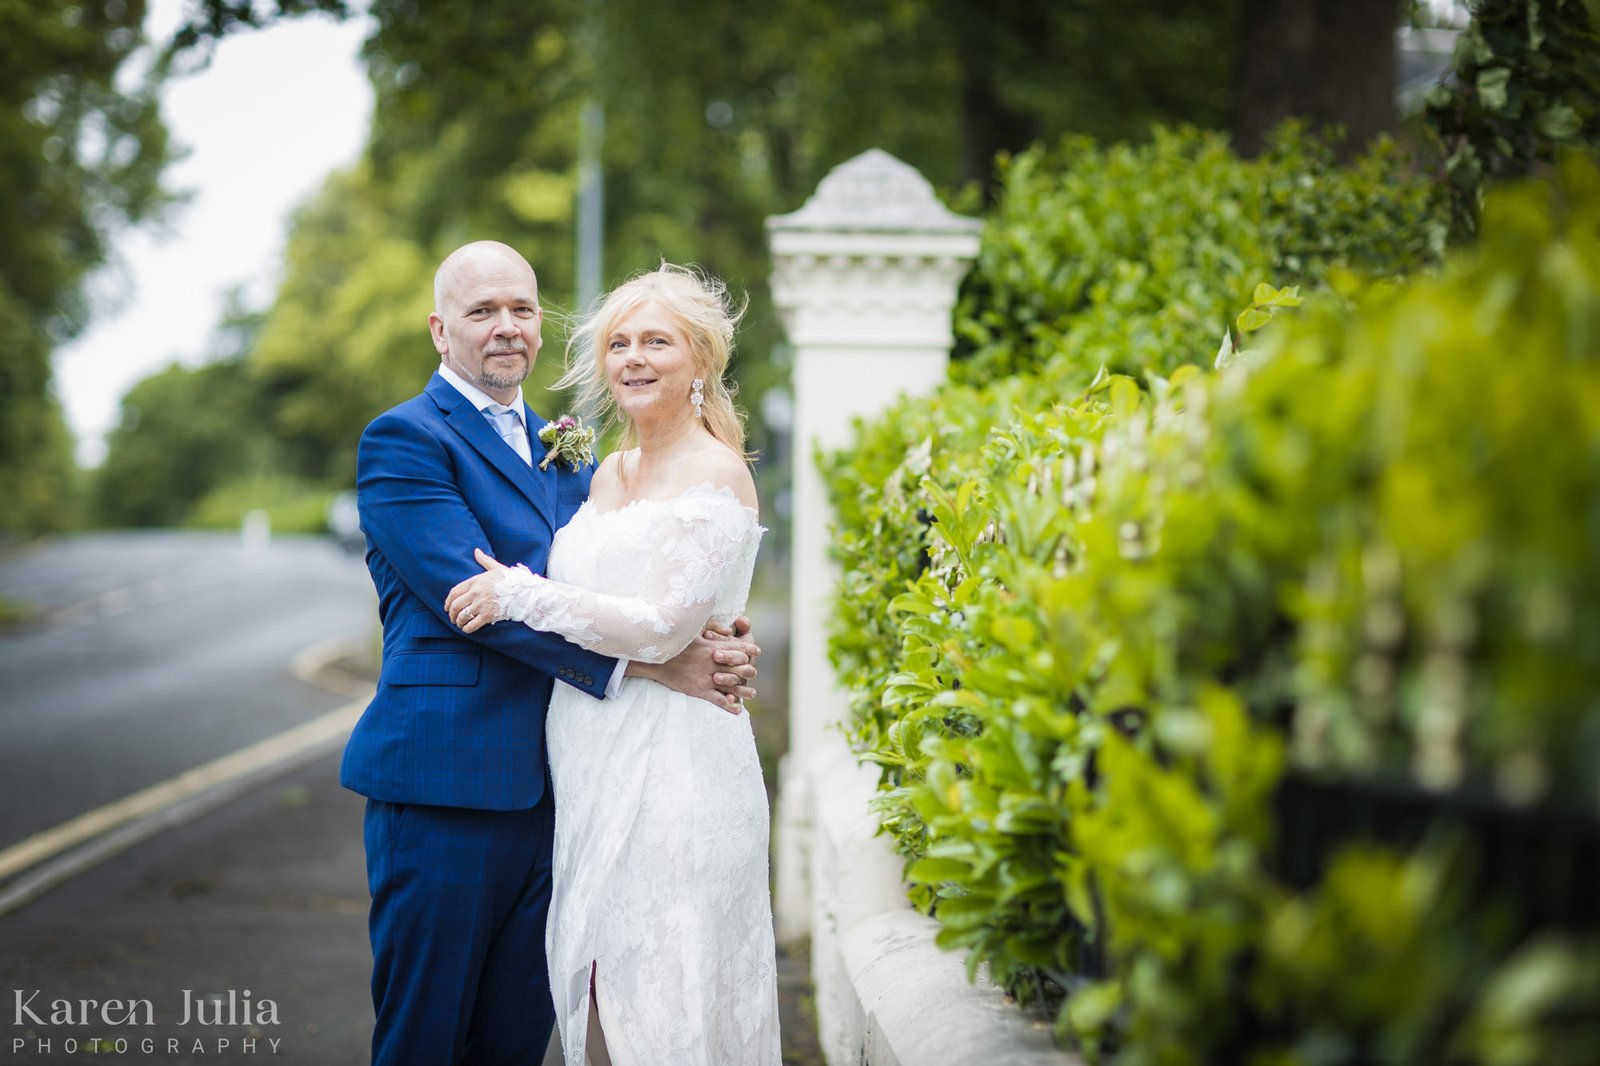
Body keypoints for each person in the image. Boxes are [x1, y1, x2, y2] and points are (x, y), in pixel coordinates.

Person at [341, 241, 760, 1066]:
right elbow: (478, 604)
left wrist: (715, 632)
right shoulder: (405, 441)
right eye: (481, 311)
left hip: (572, 793)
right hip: (447, 787)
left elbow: (628, 587)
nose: (506, 328)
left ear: (541, 323)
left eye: (522, 310)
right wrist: (652, 664)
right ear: (439, 329)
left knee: (515, 1043)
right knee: (426, 1039)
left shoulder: (574, 452)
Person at [445, 263, 781, 1064]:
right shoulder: (602, 475)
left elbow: (664, 629)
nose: (632, 357)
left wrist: (518, 596)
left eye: (656, 341)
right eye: (619, 342)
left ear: (698, 361)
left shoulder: (717, 474)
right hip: (589, 758)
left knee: (665, 993)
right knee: (593, 986)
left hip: (678, 769)